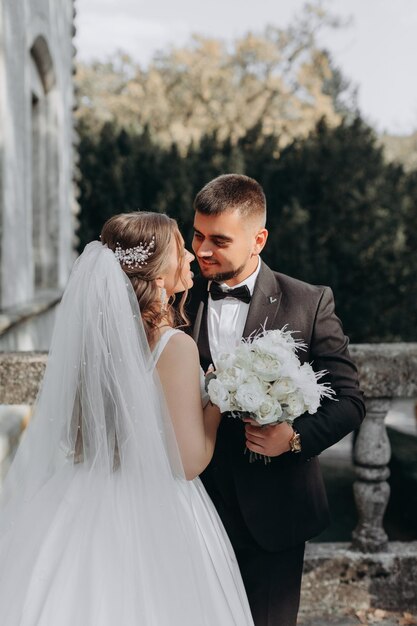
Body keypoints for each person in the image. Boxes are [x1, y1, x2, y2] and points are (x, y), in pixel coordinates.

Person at [0, 211, 254, 625]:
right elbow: (188, 463)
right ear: (157, 277)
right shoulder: (173, 346)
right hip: (157, 505)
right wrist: (218, 400)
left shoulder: (95, 338)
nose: (190, 256)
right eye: (179, 249)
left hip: (83, 492)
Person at [186, 173, 366, 626]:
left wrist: (294, 438)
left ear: (258, 239)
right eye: (197, 235)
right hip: (193, 510)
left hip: (276, 512)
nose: (201, 251)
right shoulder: (177, 300)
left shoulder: (308, 302)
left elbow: (350, 401)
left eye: (218, 240)